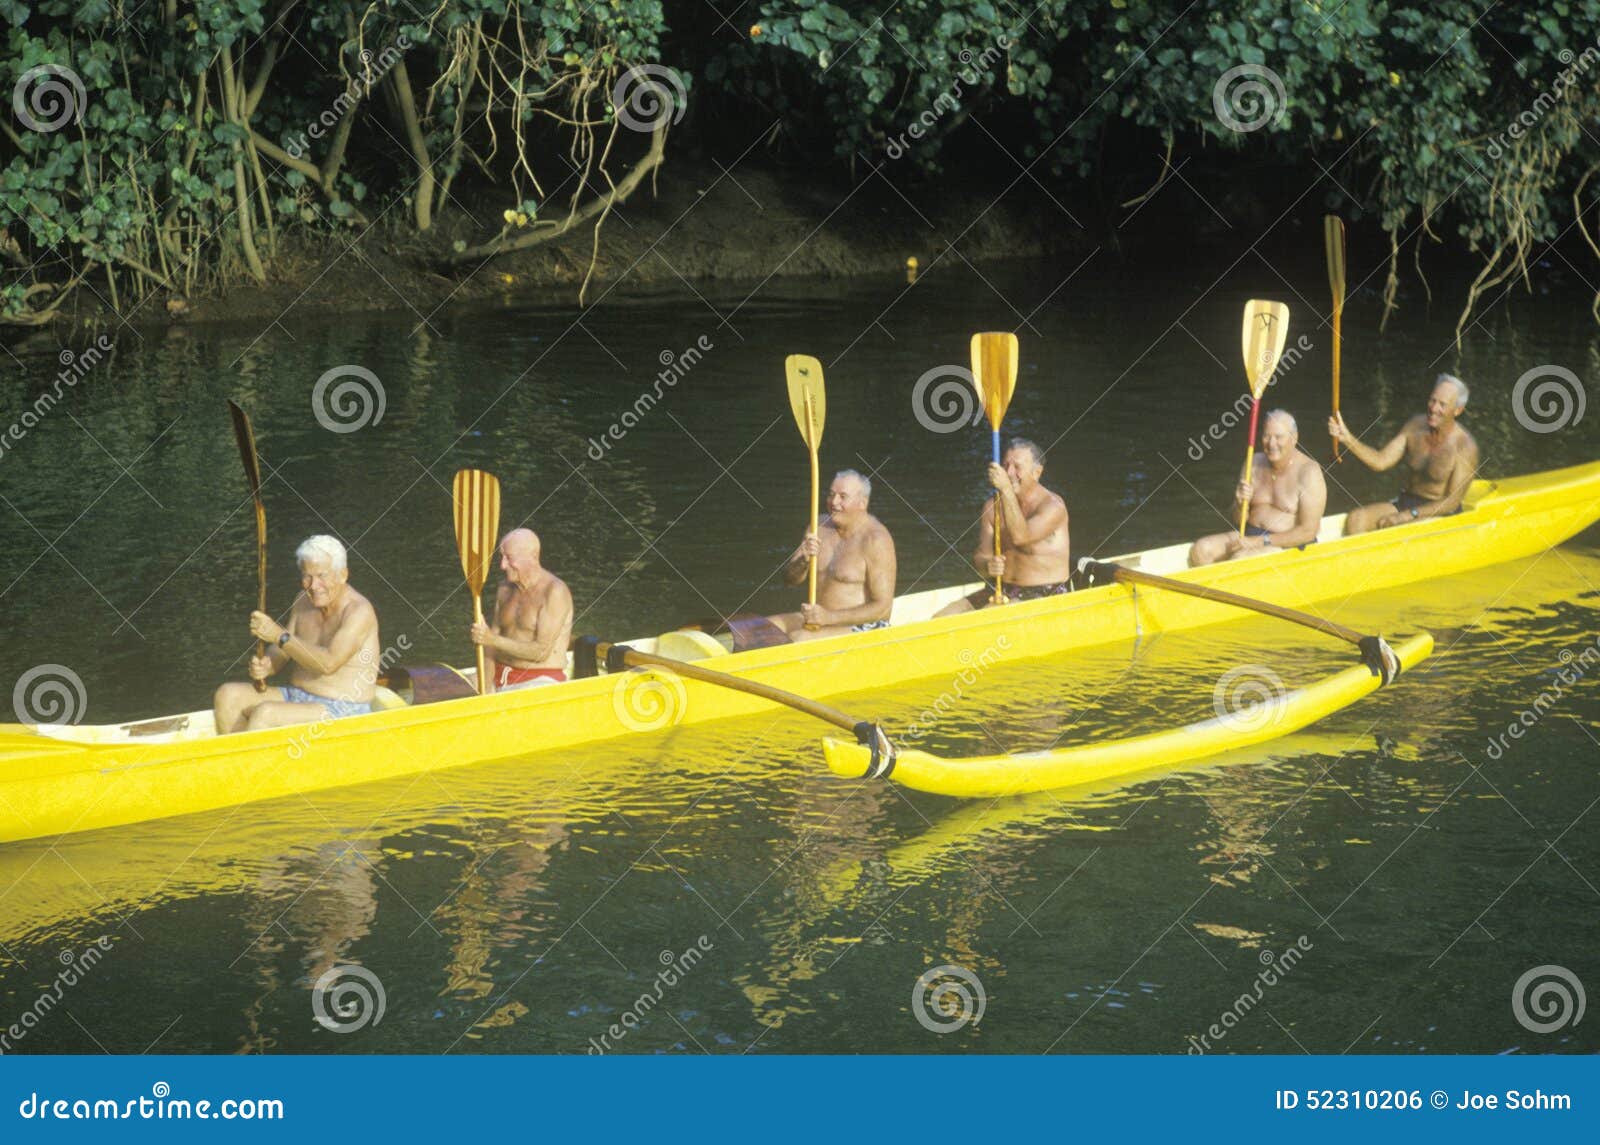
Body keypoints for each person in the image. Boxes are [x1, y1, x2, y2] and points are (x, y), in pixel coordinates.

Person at [213, 534, 381, 733]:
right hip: (297, 696)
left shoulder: (358, 611)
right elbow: (283, 651)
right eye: (307, 576)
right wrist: (267, 665)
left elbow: (328, 664)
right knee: (227, 696)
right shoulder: (303, 600)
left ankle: (256, 753)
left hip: (343, 707)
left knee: (266, 714)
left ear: (342, 575)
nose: (313, 585)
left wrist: (278, 635)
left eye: (322, 576)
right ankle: (243, 753)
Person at [1328, 374, 1480, 534]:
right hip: (1406, 502)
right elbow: (1381, 461)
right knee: (1356, 518)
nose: (1434, 408)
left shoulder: (1465, 446)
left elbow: (1452, 502)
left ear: (1457, 410)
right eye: (1432, 400)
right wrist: (1346, 438)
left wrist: (1408, 515)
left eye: (1442, 404)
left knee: (1398, 527)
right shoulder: (1415, 425)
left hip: (1438, 513)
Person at [936, 438, 1071, 615]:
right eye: (1005, 465)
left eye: (1017, 467)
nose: (1009, 472)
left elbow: (1021, 537)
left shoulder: (1053, 507)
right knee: (942, 618)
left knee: (988, 616)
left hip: (1046, 592)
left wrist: (1006, 489)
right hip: (1000, 589)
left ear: (1037, 472)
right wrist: (988, 565)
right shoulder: (992, 507)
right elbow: (981, 556)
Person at [767, 469, 897, 641]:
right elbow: (790, 580)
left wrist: (829, 617)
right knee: (762, 628)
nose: (834, 502)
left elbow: (883, 609)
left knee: (798, 638)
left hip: (863, 626)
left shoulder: (876, 539)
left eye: (843, 497)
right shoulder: (818, 526)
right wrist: (803, 561)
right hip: (818, 620)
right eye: (831, 494)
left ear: (862, 503)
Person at [1189, 410, 1327, 565]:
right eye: (1267, 436)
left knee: (1240, 559)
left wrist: (1261, 541)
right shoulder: (1253, 462)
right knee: (1200, 550)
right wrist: (1240, 504)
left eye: (1278, 437)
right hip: (1250, 534)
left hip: (1287, 545)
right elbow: (1237, 519)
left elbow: (1309, 532)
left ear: (1294, 438)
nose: (1271, 443)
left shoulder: (1309, 472)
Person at [471, 528, 574, 690]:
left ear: (533, 556)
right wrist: (484, 684)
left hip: (540, 680)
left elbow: (541, 652)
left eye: (509, 558)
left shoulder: (554, 592)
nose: (502, 565)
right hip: (500, 675)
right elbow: (489, 645)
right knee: (446, 691)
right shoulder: (504, 589)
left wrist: (492, 639)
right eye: (501, 557)